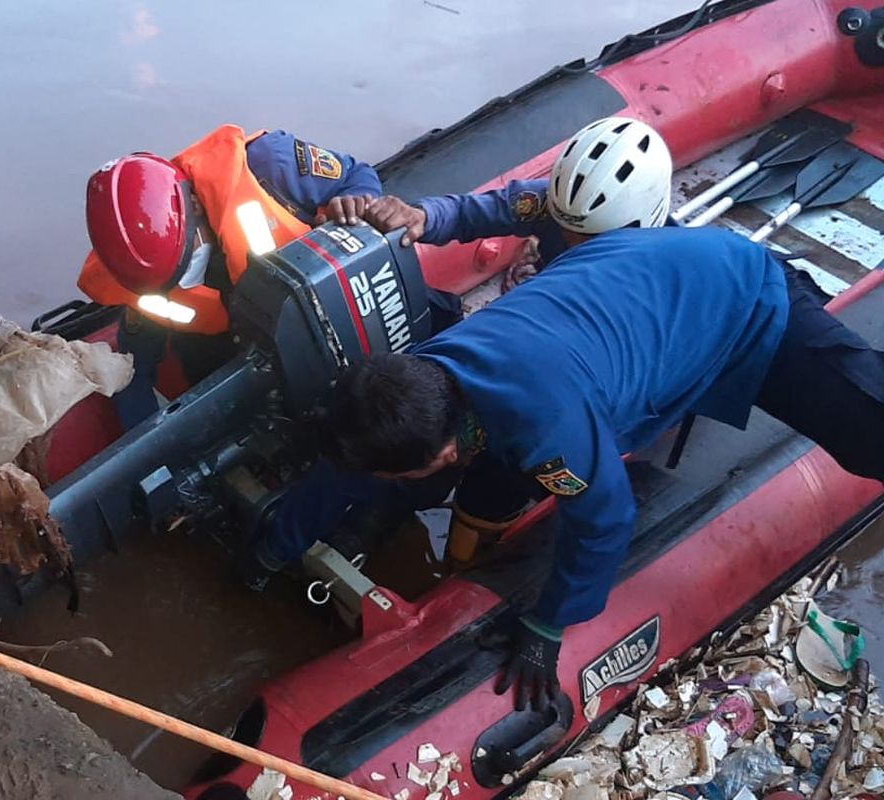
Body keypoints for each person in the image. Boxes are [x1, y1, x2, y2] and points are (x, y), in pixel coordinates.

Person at [321, 119, 884, 711]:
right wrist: (428, 217)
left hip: (743, 299)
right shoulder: (431, 368)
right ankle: (465, 563)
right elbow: (503, 207)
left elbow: (606, 517)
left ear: (441, 454)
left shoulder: (548, 427)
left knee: (866, 430)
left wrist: (549, 624)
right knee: (498, 475)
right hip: (627, 313)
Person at [243, 117, 674, 588]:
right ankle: (341, 530)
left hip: (567, 376)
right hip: (508, 341)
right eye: (564, 228)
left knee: (492, 493)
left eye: (581, 239)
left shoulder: (653, 284)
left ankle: (461, 568)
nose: (569, 242)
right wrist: (422, 217)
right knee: (394, 440)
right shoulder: (558, 207)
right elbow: (483, 209)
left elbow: (599, 496)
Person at [79, 125, 388, 429]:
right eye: (169, 282)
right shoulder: (139, 276)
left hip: (321, 309)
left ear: (195, 205)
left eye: (185, 264)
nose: (184, 283)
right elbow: (134, 365)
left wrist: (356, 199)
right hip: (226, 348)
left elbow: (357, 175)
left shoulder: (271, 164)